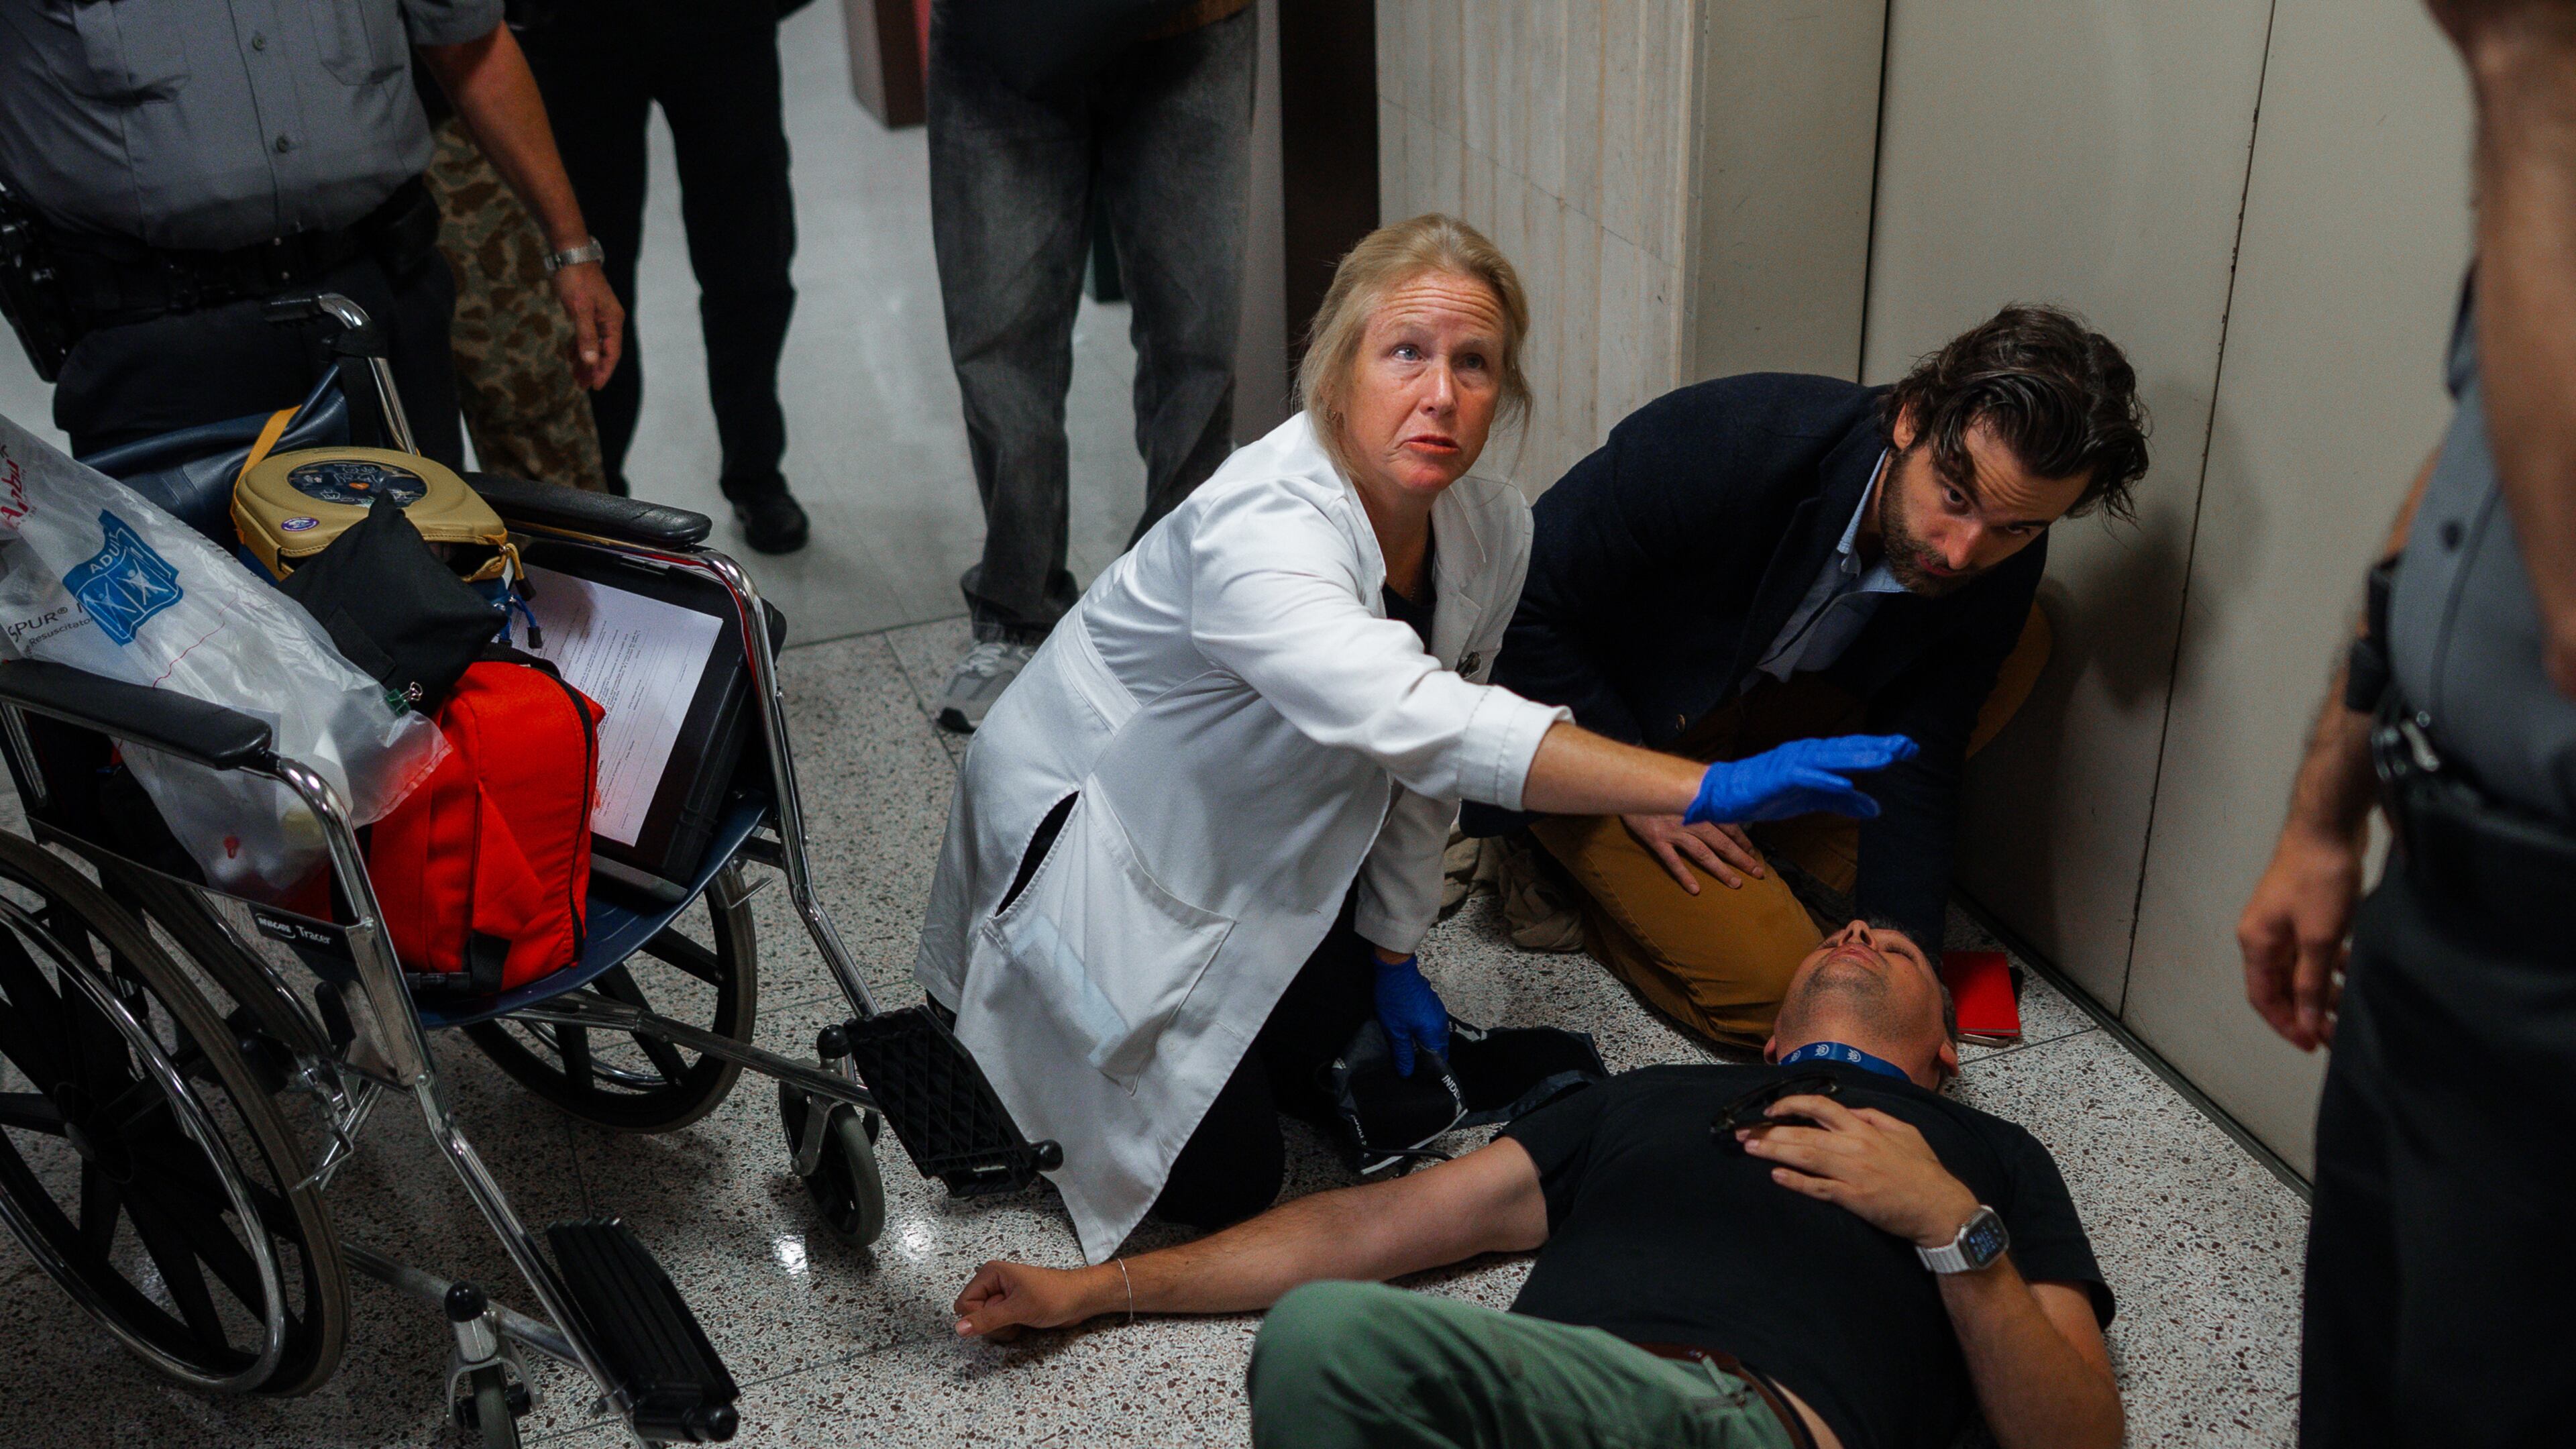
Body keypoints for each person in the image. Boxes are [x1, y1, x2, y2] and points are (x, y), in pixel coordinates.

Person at [914, 214, 1917, 1263]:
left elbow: (1425, 770)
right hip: (1095, 831)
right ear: (1337, 373)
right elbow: (1422, 718)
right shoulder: (1260, 527)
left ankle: (1308, 1004)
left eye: (1474, 363)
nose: (1441, 393)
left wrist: (1395, 948)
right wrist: (1697, 787)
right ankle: (984, 1032)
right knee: (1230, 1181)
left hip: (1255, 820)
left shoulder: (1488, 531)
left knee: (1351, 1041)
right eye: (1406, 353)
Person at [949, 918, 2122, 1449]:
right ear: (1772, 1039)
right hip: (1547, 1407)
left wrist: (1949, 1226)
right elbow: (1373, 1225)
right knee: (1323, 1345)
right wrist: (1099, 1288)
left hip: (1737, 1423)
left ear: (1947, 1053)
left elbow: (2077, 1438)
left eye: (1898, 945)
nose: (1860, 929)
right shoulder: (1646, 1099)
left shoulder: (1994, 1164)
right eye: (1838, 932)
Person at [1466, 307, 2149, 1047]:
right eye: (1955, 496)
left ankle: (1782, 880)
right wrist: (1644, 782)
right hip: (1612, 722)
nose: (1961, 552)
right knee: (1778, 999)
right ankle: (1552, 867)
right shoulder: (1727, 440)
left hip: (1747, 706)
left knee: (2027, 636)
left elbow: (1921, 749)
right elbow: (1518, 611)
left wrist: (1905, 959)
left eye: (2017, 528)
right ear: (1910, 418)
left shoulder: (1996, 549)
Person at [2237, 6, 2576, 1444]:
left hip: (2557, 976)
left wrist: (2526, 66)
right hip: (2433, 897)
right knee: (2361, 1380)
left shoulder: (2543, 110)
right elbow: (2467, 455)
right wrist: (2332, 794)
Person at [0, 1, 620, 469]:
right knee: (198, 628)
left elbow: (470, 48)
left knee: (429, 595)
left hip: (375, 303)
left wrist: (572, 248)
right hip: (158, 338)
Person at [925, 0, 1258, 732]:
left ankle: (1176, 614)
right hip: (998, 38)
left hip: (1193, 26)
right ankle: (1017, 614)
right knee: (1000, 343)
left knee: (1196, 339)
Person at [516, 0, 813, 550]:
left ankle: (756, 472)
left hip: (723, 23)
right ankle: (600, 491)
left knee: (750, 261)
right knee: (588, 267)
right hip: (576, 28)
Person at [418, 64, 610, 492]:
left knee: (533, 402)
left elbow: (472, 49)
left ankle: (568, 558)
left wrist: (572, 250)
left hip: (439, 130)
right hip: (272, 212)